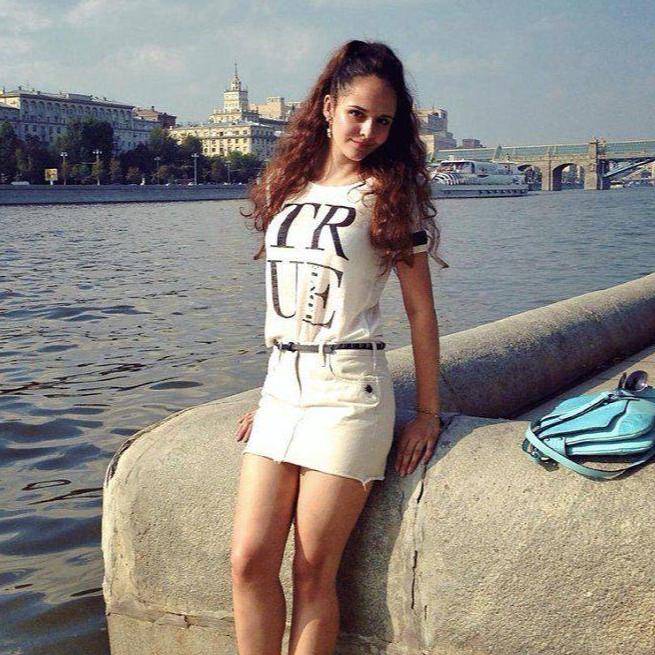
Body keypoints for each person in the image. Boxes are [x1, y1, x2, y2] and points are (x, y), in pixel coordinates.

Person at [231, 39, 448, 655]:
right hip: (282, 390)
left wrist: (427, 413)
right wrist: (269, 395)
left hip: (350, 396)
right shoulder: (288, 185)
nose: (368, 131)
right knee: (248, 561)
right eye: (357, 114)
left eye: (384, 121)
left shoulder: (389, 197)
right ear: (328, 108)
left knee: (312, 572)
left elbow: (421, 311)